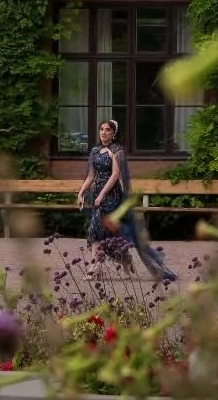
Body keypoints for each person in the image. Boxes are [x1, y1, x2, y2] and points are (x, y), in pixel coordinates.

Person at [76, 118, 177, 284]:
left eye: (107, 129)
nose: (103, 132)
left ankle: (95, 268)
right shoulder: (94, 151)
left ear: (113, 133)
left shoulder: (117, 151)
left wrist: (102, 195)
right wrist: (81, 192)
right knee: (101, 231)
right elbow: (91, 176)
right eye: (101, 129)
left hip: (111, 196)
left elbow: (115, 175)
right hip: (96, 195)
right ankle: (124, 259)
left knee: (98, 230)